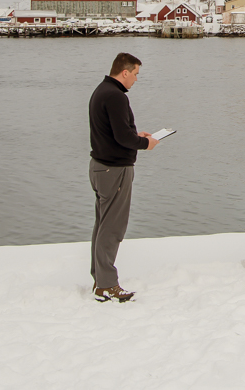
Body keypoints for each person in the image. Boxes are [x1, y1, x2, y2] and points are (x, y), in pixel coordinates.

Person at [88, 51, 159, 302]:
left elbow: (113, 131)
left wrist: (135, 135)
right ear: (125, 72)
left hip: (100, 167)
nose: (136, 79)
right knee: (112, 228)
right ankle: (106, 285)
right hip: (114, 169)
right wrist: (145, 143)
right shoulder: (116, 96)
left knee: (103, 225)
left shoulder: (101, 91)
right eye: (135, 74)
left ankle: (100, 278)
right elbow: (121, 137)